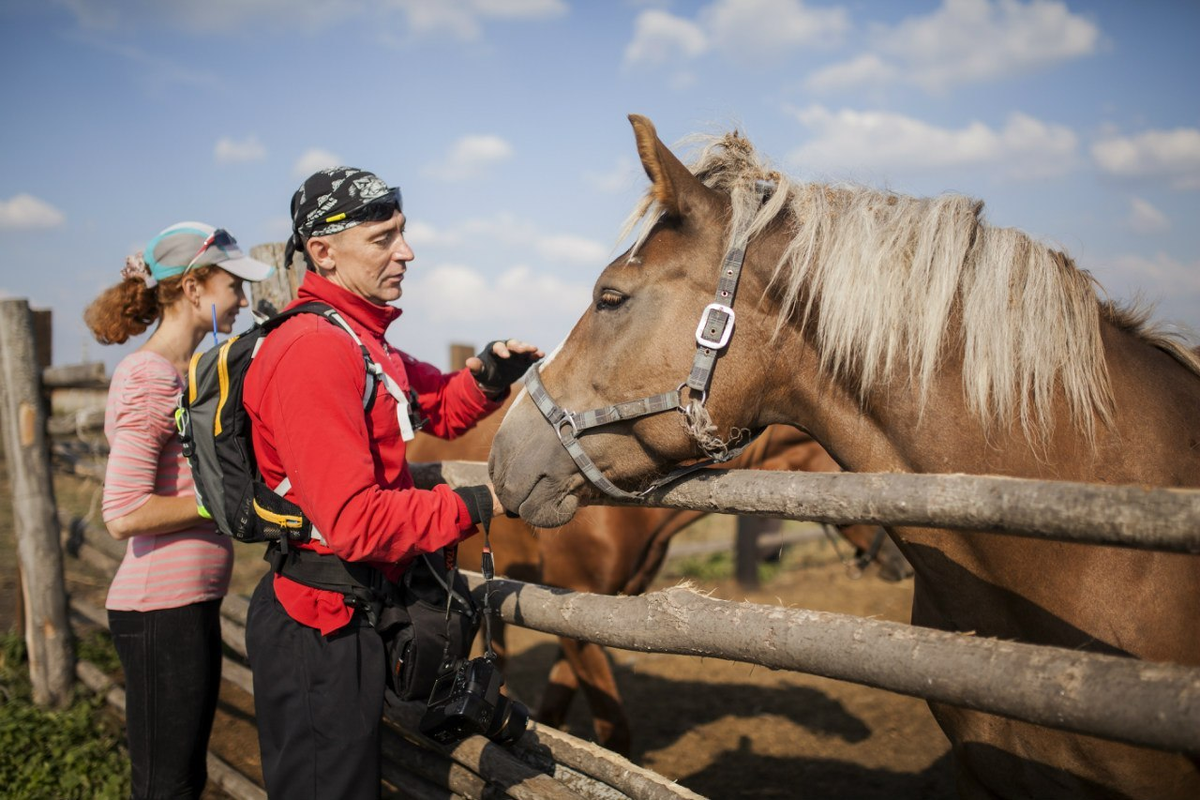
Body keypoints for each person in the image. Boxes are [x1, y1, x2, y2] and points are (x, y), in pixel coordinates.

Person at [242, 167, 542, 799]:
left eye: (402, 233)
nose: (406, 251)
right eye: (383, 238)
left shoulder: (362, 339)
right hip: (319, 626)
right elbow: (356, 524)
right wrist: (474, 506)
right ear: (323, 251)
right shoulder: (315, 351)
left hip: (354, 613)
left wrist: (490, 375)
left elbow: (438, 405)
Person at [84, 222, 273, 799]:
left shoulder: (179, 375)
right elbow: (123, 513)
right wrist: (222, 503)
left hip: (181, 606)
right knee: (165, 786)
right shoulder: (148, 379)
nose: (243, 298)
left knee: (180, 780)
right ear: (194, 288)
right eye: (233, 284)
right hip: (158, 612)